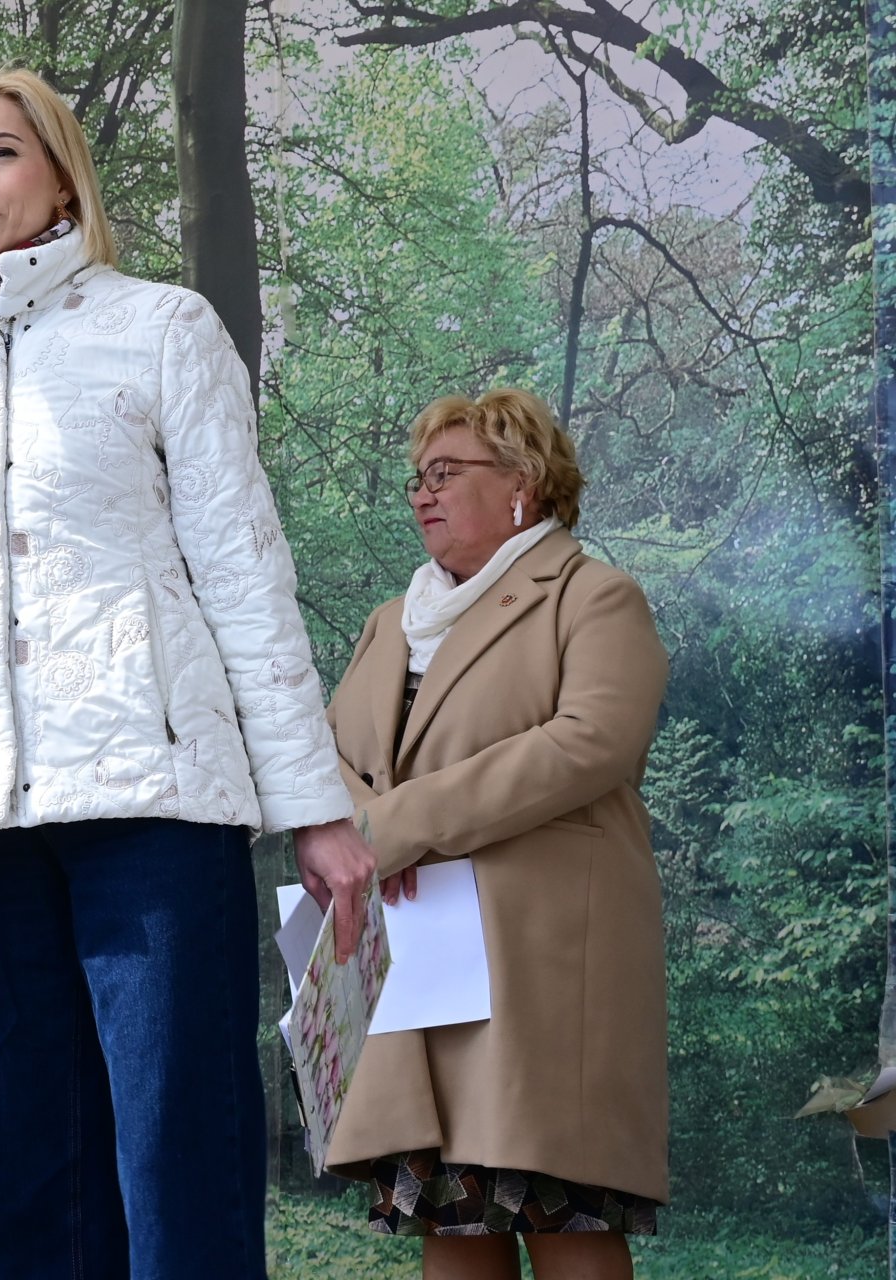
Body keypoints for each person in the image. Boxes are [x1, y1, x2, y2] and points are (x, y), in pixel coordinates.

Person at [0, 70, 374, 1278]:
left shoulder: (162, 327)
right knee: (14, 1184)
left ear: (61, 175)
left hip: (156, 811)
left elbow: (244, 571)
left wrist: (313, 805)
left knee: (177, 1172)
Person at [323, 388, 668, 1280]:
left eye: (446, 473)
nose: (422, 494)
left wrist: (391, 826)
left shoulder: (594, 596)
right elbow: (332, 759)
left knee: (567, 1219)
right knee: (455, 1219)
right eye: (417, 478)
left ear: (524, 483)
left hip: (541, 965)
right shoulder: (388, 622)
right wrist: (343, 835)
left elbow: (591, 741)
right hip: (420, 958)